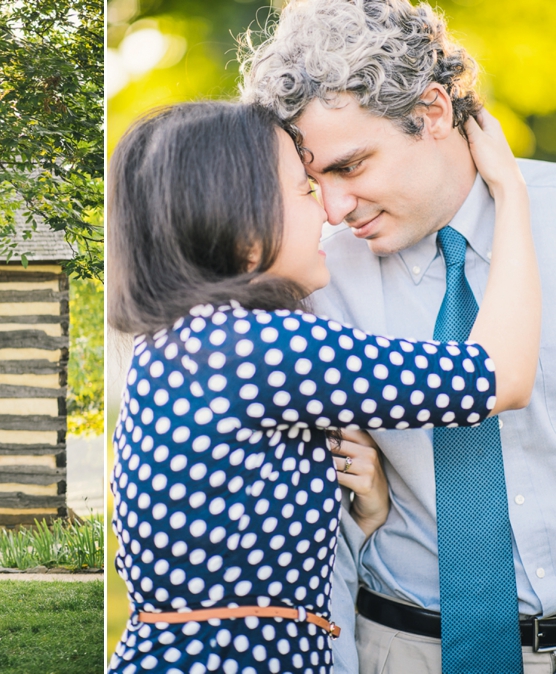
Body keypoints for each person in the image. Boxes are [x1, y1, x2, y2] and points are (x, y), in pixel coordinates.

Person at [106, 98, 538, 674]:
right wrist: (509, 191)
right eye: (303, 192)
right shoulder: (260, 345)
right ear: (239, 220)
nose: (329, 214)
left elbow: (246, 535)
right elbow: (498, 376)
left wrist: (367, 510)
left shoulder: (190, 342)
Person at [241, 0, 556, 672]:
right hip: (397, 647)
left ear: (433, 114)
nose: (334, 207)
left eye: (351, 167)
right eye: (314, 178)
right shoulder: (309, 279)